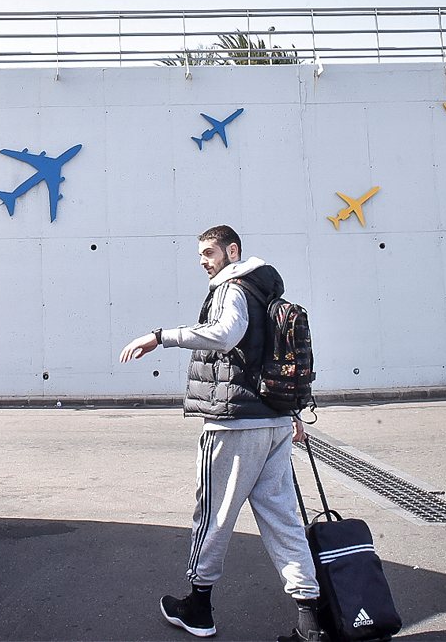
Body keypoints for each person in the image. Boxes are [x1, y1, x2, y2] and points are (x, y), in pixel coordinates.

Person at [120, 225, 323, 642]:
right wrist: (294, 413)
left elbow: (225, 334)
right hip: (274, 422)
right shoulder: (265, 290)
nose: (203, 261)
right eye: (200, 255)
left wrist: (160, 337)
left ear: (232, 251)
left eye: (209, 252)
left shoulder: (233, 288)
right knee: (283, 520)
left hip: (235, 424)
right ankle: (310, 620)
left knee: (213, 516)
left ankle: (198, 607)